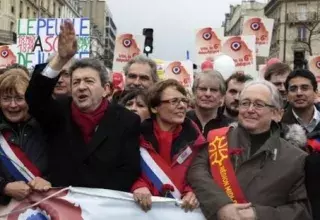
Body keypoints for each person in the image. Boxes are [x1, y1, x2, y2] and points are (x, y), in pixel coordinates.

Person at [25, 21, 141, 191]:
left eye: (89, 81)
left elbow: (128, 169)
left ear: (105, 89)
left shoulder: (127, 120)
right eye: (76, 82)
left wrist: (96, 201)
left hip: (103, 207)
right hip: (62, 205)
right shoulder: (57, 113)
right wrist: (61, 59)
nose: (81, 86)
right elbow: (35, 97)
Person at [188, 79, 312, 220]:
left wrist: (257, 214)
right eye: (245, 103)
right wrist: (221, 205)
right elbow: (197, 173)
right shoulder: (217, 138)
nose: (250, 110)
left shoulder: (295, 157)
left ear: (277, 114)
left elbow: (300, 211)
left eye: (259, 105)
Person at [131, 79, 206, 212]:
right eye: (174, 101)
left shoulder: (196, 139)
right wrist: (137, 185)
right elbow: (124, 170)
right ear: (154, 108)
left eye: (184, 100)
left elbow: (204, 172)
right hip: (144, 212)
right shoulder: (136, 136)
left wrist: (193, 191)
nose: (182, 105)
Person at [0, 70, 50, 205]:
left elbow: (66, 165)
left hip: (45, 209)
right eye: (6, 98)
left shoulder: (47, 126)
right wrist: (4, 187)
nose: (12, 105)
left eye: (19, 98)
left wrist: (49, 181)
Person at [282, 69, 320, 220]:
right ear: (286, 95)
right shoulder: (277, 127)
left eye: (305, 88)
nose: (299, 93)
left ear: (315, 92)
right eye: (293, 89)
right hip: (293, 204)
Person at [187, 71, 232, 137]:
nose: (208, 94)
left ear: (222, 96)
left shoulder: (230, 126)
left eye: (213, 90)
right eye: (203, 89)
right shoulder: (182, 122)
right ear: (194, 92)